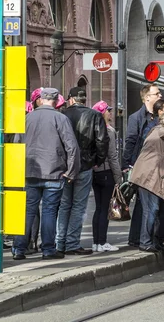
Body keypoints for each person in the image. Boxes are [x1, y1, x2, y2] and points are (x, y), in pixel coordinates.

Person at [12, 88, 80, 260]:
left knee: (27, 211)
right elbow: (72, 147)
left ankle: (19, 249)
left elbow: (16, 145)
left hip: (29, 172)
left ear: (41, 100)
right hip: (54, 172)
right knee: (50, 211)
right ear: (56, 101)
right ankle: (48, 249)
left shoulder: (27, 118)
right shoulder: (61, 118)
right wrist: (71, 172)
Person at [58, 87, 107, 255]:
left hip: (64, 166)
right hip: (85, 165)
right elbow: (102, 142)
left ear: (70, 99)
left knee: (64, 205)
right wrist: (96, 162)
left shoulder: (62, 114)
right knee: (79, 206)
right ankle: (72, 243)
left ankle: (60, 242)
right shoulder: (95, 115)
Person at [130, 112, 164, 252]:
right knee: (151, 210)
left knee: (156, 210)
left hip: (153, 178)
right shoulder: (160, 130)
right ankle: (145, 242)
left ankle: (153, 241)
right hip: (149, 178)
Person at [122, 84, 162, 248]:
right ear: (147, 98)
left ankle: (137, 238)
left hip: (157, 166)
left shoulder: (160, 116)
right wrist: (126, 164)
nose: (160, 95)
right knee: (148, 205)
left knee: (142, 204)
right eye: (156, 93)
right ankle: (142, 239)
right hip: (141, 165)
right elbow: (131, 140)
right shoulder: (136, 117)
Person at [91, 101, 123, 252]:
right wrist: (118, 177)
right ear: (102, 113)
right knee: (105, 209)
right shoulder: (108, 131)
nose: (110, 113)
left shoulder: (91, 129)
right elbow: (112, 156)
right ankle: (102, 242)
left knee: (98, 209)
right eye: (107, 111)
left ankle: (96, 242)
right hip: (107, 172)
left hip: (95, 172)